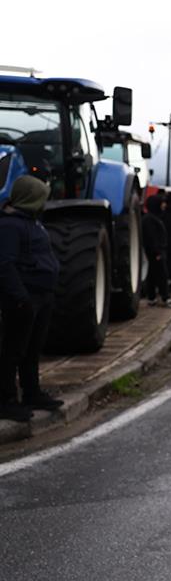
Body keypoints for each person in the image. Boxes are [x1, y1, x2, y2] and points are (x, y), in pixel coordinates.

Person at [0, 176, 64, 421]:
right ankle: (6, 400)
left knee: (32, 349)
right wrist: (20, 297)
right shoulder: (9, 226)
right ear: (30, 198)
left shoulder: (33, 223)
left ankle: (32, 392)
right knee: (13, 350)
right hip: (25, 298)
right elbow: (5, 265)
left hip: (42, 296)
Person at [143, 195, 171, 307]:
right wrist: (157, 252)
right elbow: (151, 237)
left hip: (156, 252)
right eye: (161, 203)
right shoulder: (150, 220)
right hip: (156, 253)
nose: (164, 205)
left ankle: (152, 297)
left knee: (153, 275)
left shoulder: (154, 218)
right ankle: (164, 298)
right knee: (161, 275)